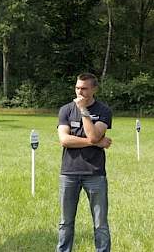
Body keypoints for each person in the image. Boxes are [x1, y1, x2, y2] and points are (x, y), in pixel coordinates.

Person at [56, 73, 112, 252]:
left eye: (84, 88)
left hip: (95, 173)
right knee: (66, 222)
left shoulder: (104, 111)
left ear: (94, 89)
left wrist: (83, 112)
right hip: (69, 172)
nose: (80, 92)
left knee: (100, 222)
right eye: (77, 88)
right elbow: (64, 140)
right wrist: (96, 143)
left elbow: (94, 134)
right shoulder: (65, 110)